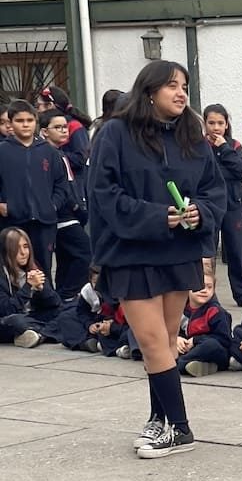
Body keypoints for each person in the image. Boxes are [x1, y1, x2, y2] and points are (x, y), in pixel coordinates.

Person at [86, 59, 223, 458]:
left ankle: (170, 424)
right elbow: (103, 193)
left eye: (184, 87)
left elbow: (214, 190)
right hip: (132, 252)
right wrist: (156, 216)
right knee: (151, 340)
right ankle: (172, 423)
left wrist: (199, 212)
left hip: (177, 251)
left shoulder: (192, 135)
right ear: (149, 91)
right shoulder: (115, 133)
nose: (181, 93)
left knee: (162, 340)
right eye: (172, 86)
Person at [0, 100, 68, 283]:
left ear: (36, 122)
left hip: (44, 222)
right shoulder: (2, 151)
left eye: (29, 120)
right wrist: (3, 207)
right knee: (12, 270)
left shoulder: (49, 152)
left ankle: (46, 300)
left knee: (43, 269)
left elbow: (61, 184)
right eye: (19, 120)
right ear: (10, 123)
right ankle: (17, 301)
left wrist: (52, 205)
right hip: (12, 222)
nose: (25, 125)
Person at [38, 108, 91, 300]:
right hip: (62, 216)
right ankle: (68, 294)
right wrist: (73, 206)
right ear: (45, 132)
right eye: (58, 127)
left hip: (71, 213)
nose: (64, 131)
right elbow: (57, 187)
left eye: (65, 127)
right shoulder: (46, 155)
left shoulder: (60, 153)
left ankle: (62, 297)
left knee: (66, 258)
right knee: (85, 252)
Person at [202, 104, 242, 308]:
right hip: (208, 204)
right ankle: (207, 294)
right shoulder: (198, 146)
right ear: (205, 124)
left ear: (226, 124)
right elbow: (203, 173)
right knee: (207, 252)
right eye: (211, 122)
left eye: (220, 123)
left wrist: (224, 148)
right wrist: (228, 172)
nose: (216, 127)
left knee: (236, 251)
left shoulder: (234, 145)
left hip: (233, 203)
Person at [0, 226, 62, 347]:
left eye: (26, 246)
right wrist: (28, 287)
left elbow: (56, 303)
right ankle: (45, 333)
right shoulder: (2, 274)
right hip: (9, 320)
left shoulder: (33, 267)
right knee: (16, 321)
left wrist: (41, 289)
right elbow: (6, 310)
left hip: (32, 317)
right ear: (5, 251)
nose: (23, 253)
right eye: (16, 248)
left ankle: (37, 335)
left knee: (66, 312)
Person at [176, 271, 233, 377]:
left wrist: (196, 340)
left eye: (209, 287)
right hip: (189, 349)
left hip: (214, 351)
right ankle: (200, 366)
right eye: (199, 286)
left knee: (211, 345)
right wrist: (177, 338)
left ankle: (177, 365)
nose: (204, 290)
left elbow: (225, 340)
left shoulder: (216, 312)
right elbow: (170, 329)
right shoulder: (180, 309)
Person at [36, 85, 92, 171]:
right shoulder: (43, 126)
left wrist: (55, 155)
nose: (37, 110)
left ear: (50, 105)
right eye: (57, 127)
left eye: (38, 105)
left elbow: (80, 158)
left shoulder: (74, 126)